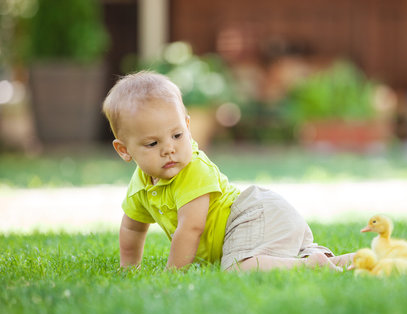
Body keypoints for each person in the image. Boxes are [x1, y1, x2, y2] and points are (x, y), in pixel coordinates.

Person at [102, 71, 355, 272]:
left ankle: (310, 266)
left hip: (251, 215)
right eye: (152, 144)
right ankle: (346, 261)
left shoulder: (193, 171)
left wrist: (173, 275)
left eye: (177, 135)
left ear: (188, 126)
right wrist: (129, 268)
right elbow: (133, 228)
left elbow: (191, 228)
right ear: (124, 150)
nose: (169, 149)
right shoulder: (141, 185)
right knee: (264, 260)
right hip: (253, 225)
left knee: (237, 268)